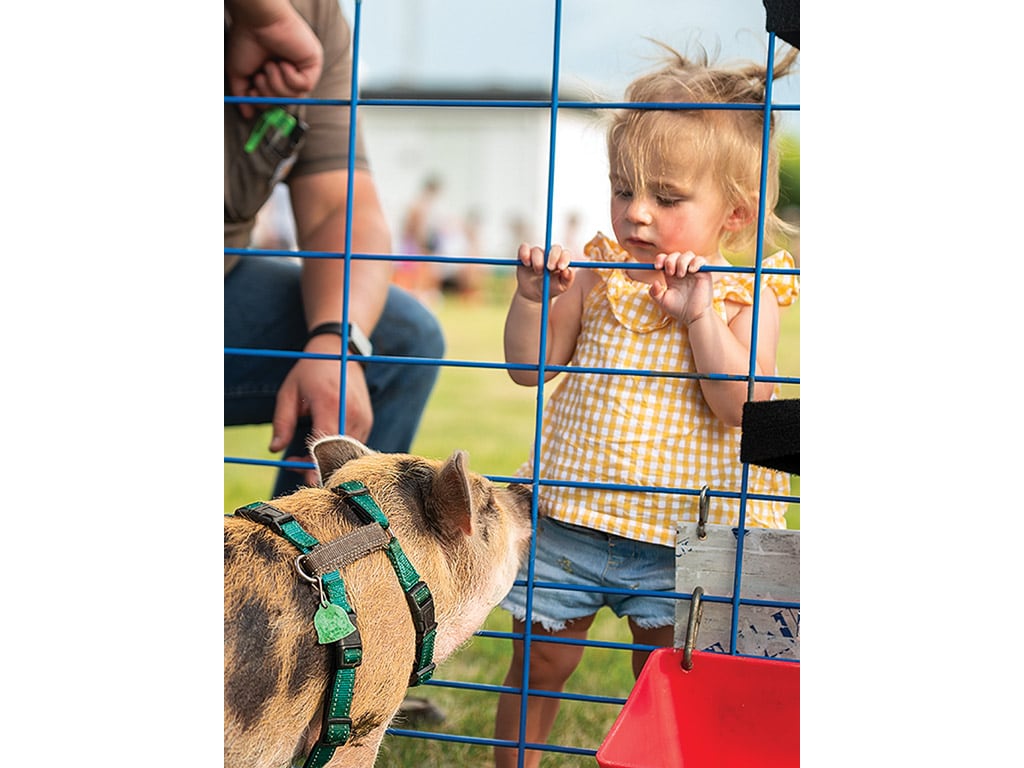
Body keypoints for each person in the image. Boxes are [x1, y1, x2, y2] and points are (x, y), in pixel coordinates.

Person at [493, 42, 800, 767]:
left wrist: (697, 315)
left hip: (680, 536)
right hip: (572, 517)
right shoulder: (598, 269)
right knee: (538, 666)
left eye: (666, 198)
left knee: (660, 682)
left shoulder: (750, 292)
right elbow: (527, 368)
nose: (636, 213)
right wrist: (536, 300)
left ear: (734, 214)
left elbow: (739, 406)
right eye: (622, 189)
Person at [225, 0, 444, 496]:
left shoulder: (316, 16)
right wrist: (266, 18)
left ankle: (294, 565)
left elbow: (339, 208)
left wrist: (336, 342)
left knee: (398, 339)